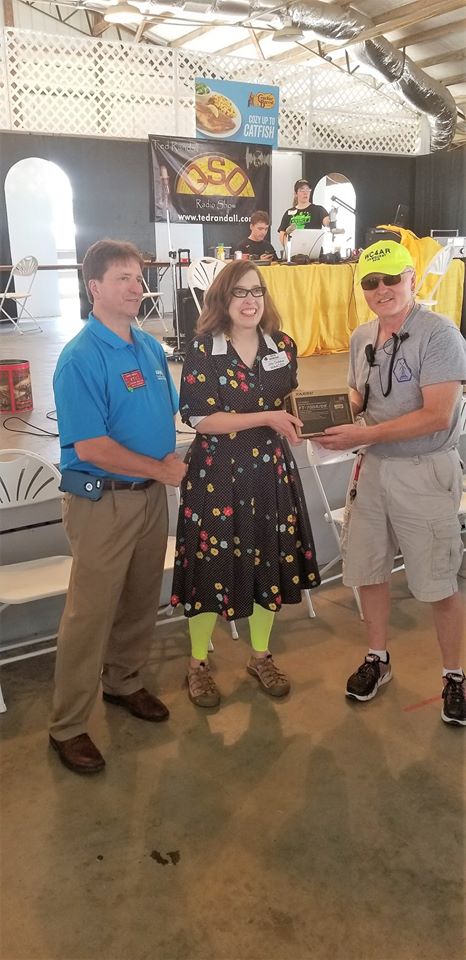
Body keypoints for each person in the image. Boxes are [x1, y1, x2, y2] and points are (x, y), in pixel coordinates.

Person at [50, 239, 187, 773]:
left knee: (139, 598)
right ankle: (67, 725)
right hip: (103, 502)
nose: (136, 287)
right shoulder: (80, 358)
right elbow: (91, 447)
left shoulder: (148, 347)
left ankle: (123, 682)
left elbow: (166, 414)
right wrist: (161, 469)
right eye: (123, 278)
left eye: (138, 277)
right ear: (95, 288)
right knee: (90, 614)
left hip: (150, 497)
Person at [318, 240, 466, 726]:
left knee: (438, 580)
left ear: (412, 280)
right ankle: (377, 658)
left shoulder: (440, 334)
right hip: (373, 469)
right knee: (368, 568)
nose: (381, 289)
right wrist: (329, 418)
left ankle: (454, 675)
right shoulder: (363, 334)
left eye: (390, 279)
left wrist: (363, 434)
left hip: (424, 468)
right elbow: (357, 395)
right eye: (370, 282)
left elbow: (437, 414)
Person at [170, 260, 321, 707]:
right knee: (209, 569)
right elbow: (200, 418)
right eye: (239, 292)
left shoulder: (283, 345)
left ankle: (260, 656)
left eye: (257, 291)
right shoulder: (203, 348)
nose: (250, 300)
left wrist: (316, 421)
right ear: (222, 298)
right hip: (216, 475)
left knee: (266, 562)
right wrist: (268, 417)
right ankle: (197, 663)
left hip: (270, 472)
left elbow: (290, 403)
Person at [278, 179, 330, 248]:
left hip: (314, 250)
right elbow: (282, 234)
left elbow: (327, 222)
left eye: (308, 190)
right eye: (302, 190)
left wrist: (330, 219)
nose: (305, 193)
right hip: (295, 251)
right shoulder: (288, 212)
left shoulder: (318, 209)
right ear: (296, 193)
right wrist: (288, 249)